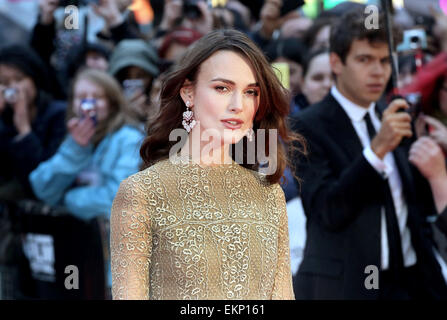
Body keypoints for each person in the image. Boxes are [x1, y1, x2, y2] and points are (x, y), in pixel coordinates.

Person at [110, 29, 301, 300]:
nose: (238, 105)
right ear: (188, 93)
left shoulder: (269, 194)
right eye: (222, 88)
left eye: (250, 92)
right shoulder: (142, 193)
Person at [291, 8, 447, 300]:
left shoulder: (393, 115)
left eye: (385, 61)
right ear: (337, 62)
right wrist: (376, 151)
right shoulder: (307, 126)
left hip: (413, 283)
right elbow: (327, 212)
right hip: (349, 287)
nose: (378, 71)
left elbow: (415, 208)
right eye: (365, 60)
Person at [29, 69, 143, 222]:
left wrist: (68, 199)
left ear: (112, 102)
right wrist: (75, 150)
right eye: (82, 97)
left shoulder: (129, 138)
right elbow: (42, 188)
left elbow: (123, 199)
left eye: (97, 97)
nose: (89, 104)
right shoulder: (74, 138)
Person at [0, 44, 66, 202]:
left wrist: (24, 130)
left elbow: (43, 179)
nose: (13, 88)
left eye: (19, 79)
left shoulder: (58, 114)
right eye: (5, 82)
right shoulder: (4, 119)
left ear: (34, 79)